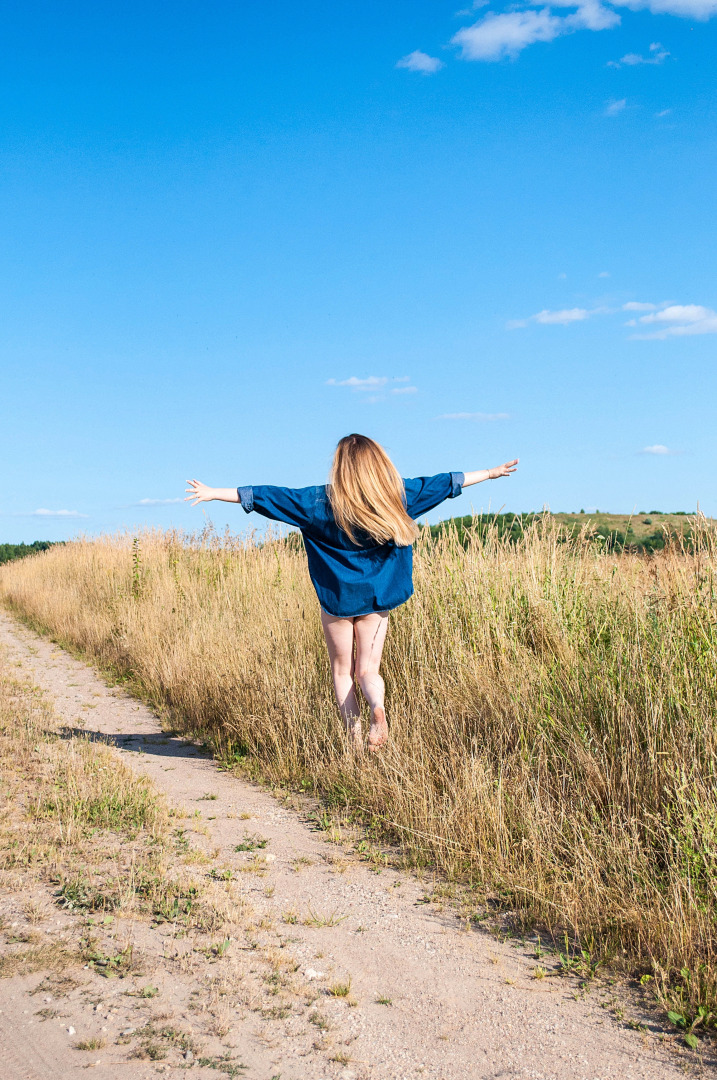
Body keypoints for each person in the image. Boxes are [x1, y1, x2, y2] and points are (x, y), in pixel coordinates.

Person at [186, 434, 518, 752]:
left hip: (338, 600)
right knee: (367, 671)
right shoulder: (398, 496)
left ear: (340, 466)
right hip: (378, 598)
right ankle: (377, 706)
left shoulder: (316, 501)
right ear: (378, 463)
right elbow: (446, 483)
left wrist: (214, 493)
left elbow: (267, 496)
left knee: (342, 671)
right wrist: (491, 473)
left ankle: (354, 744)